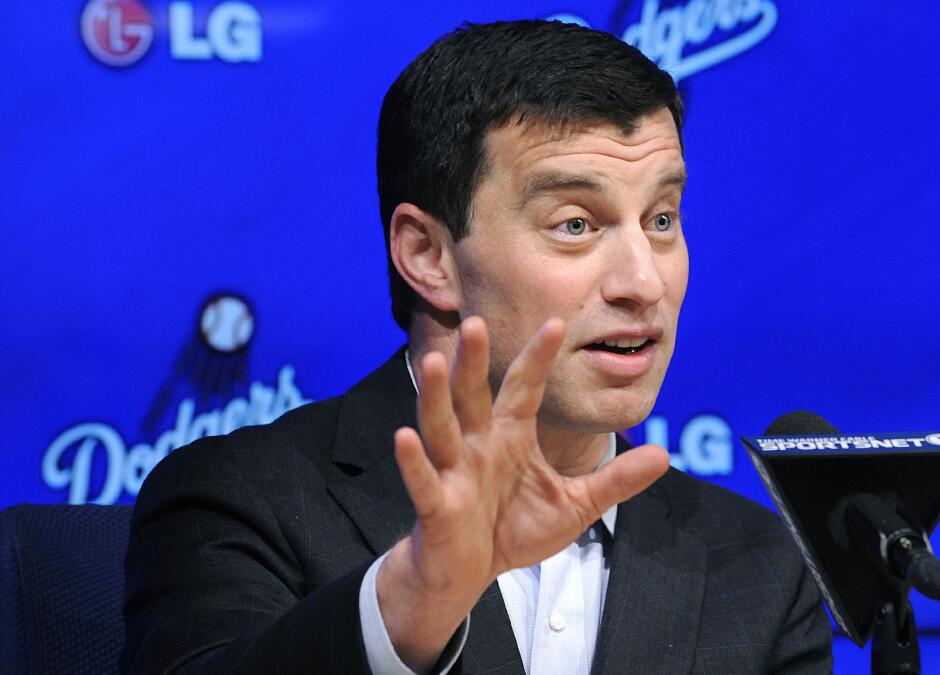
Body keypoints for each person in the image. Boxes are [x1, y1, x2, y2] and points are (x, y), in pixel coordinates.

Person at [122, 19, 832, 674]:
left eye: (662, 218)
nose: (644, 281)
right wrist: (413, 599)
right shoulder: (242, 498)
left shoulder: (760, 566)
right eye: (577, 224)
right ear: (428, 254)